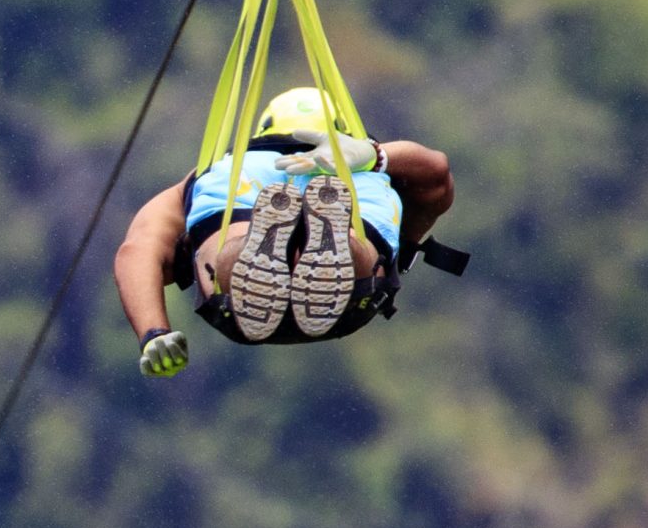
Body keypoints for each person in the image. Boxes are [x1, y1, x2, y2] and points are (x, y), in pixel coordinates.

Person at [113, 87, 460, 375]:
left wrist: (153, 331)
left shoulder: (215, 170)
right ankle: (334, 240)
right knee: (365, 249)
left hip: (237, 283)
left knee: (227, 243)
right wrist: (374, 156)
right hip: (352, 270)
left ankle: (249, 245)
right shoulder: (373, 164)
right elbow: (436, 175)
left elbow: (138, 250)